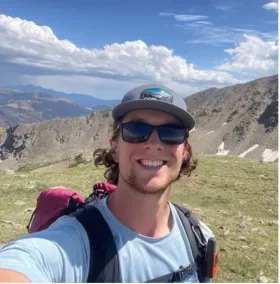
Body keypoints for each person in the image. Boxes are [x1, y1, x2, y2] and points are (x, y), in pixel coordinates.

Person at [0, 84, 215, 283]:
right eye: (137, 131)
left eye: (171, 133)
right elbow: (24, 263)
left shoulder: (200, 237)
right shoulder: (75, 243)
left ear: (185, 151)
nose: (154, 144)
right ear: (115, 148)